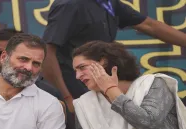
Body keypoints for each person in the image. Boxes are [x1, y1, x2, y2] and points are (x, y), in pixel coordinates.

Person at [42, 0, 186, 114]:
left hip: (99, 83)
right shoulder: (69, 5)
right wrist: (67, 98)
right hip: (73, 87)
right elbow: (47, 51)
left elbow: (150, 26)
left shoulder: (109, 3)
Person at [72, 41, 186, 129]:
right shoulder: (84, 104)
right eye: (75, 71)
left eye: (82, 67)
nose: (78, 76)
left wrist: (110, 90)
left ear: (103, 62)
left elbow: (148, 124)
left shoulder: (152, 84)